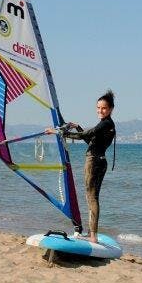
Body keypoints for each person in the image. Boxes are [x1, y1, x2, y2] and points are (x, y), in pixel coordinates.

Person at [48, 90, 116, 244]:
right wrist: (78, 127)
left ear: (111, 109)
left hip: (94, 163)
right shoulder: (107, 124)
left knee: (92, 198)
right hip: (100, 161)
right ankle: (93, 235)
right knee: (93, 197)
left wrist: (58, 132)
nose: (100, 110)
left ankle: (93, 236)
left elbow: (84, 136)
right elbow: (91, 141)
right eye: (98, 108)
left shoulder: (104, 124)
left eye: (103, 108)